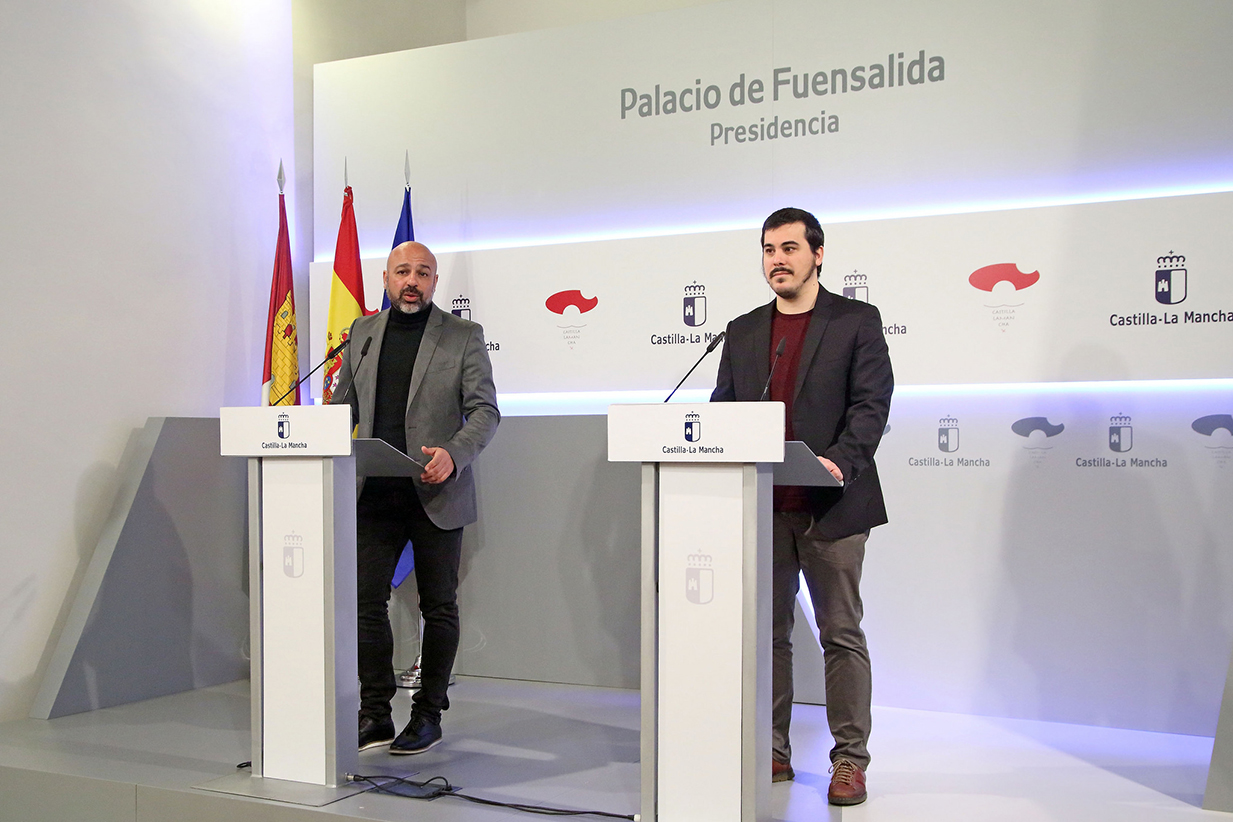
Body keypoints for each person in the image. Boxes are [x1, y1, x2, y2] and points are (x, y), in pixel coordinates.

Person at [711, 207, 892, 806]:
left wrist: (839, 460)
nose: (776, 260)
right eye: (768, 250)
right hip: (763, 506)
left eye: (789, 248)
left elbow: (871, 404)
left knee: (840, 632)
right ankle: (773, 749)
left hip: (831, 506)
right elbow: (722, 410)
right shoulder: (740, 331)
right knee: (770, 635)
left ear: (817, 254)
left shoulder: (855, 320)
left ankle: (849, 760)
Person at [331, 240, 499, 755]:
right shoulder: (360, 333)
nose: (412, 280)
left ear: (433, 282)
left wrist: (452, 453)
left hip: (436, 490)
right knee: (364, 604)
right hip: (375, 492)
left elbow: (486, 411)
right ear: (385, 278)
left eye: (423, 273)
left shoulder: (463, 336)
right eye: (403, 271)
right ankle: (375, 712)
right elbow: (343, 406)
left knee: (439, 606)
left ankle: (428, 716)